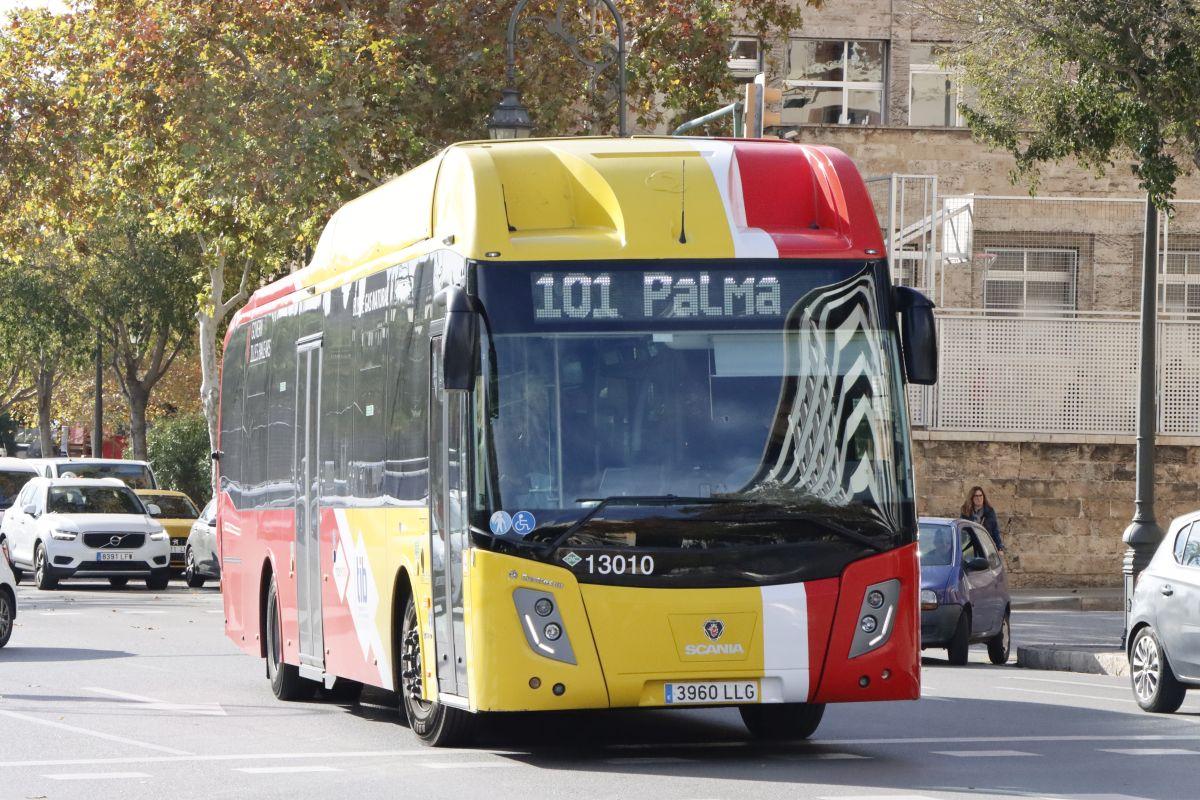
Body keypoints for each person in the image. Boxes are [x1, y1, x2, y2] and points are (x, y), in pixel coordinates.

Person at [960, 485, 1003, 551]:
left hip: (986, 546)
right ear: (972, 498)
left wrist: (1000, 548)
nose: (979, 498)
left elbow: (995, 530)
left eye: (980, 495)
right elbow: (961, 530)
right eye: (976, 496)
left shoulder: (989, 511)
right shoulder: (965, 511)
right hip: (969, 546)